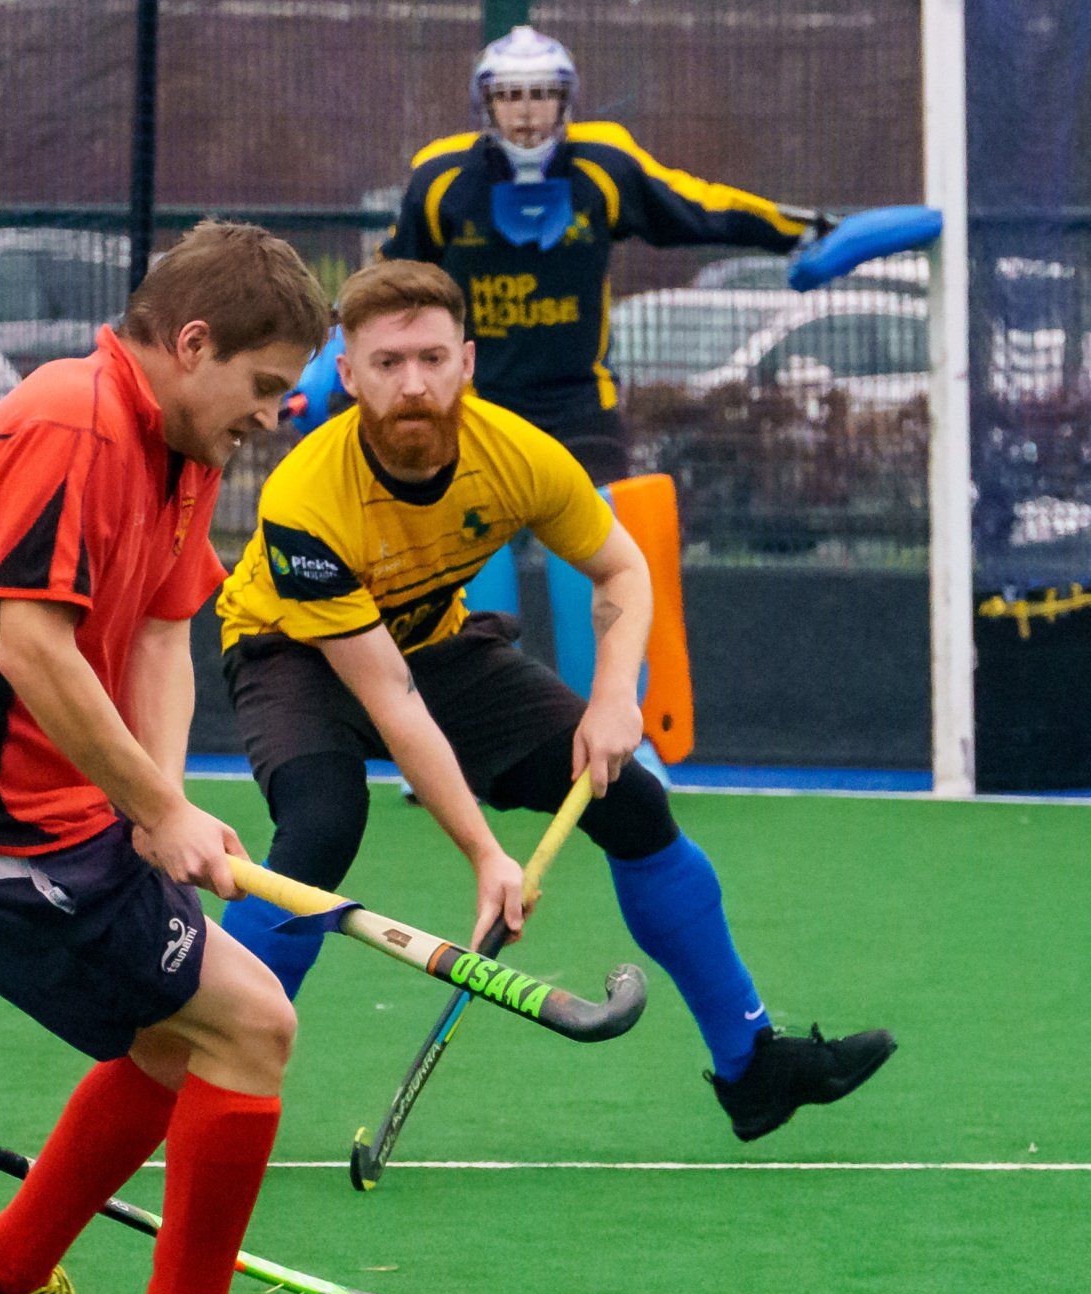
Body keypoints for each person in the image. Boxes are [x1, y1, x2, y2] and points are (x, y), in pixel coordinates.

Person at [216, 258, 894, 1142]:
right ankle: (209, 1063)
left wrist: (613, 699)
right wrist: (485, 855)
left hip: (426, 636)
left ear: (467, 362)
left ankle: (752, 1067)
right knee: (319, 830)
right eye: (387, 363)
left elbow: (623, 570)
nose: (413, 384)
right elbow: (392, 699)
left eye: (431, 358)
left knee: (633, 803)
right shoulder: (305, 497)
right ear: (348, 374)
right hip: (291, 653)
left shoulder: (518, 455)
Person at [0, 221, 350, 1294]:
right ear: (192, 344)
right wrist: (152, 808)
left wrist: (156, 811)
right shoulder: (73, 423)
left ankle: (4, 1279)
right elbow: (31, 649)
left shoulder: (186, 441)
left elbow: (168, 633)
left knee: (179, 1041)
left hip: (59, 821)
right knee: (252, 1027)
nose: (275, 411)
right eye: (264, 383)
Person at [381, 26, 829, 709]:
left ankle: (614, 725)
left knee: (599, 567)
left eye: (541, 94)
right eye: (511, 96)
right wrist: (338, 360)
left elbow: (699, 207)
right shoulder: (441, 179)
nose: (527, 112)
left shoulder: (604, 167)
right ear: (487, 104)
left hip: (579, 407)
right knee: (468, 575)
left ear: (565, 101)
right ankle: (475, 732)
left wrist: (801, 232)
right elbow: (392, 285)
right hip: (473, 411)